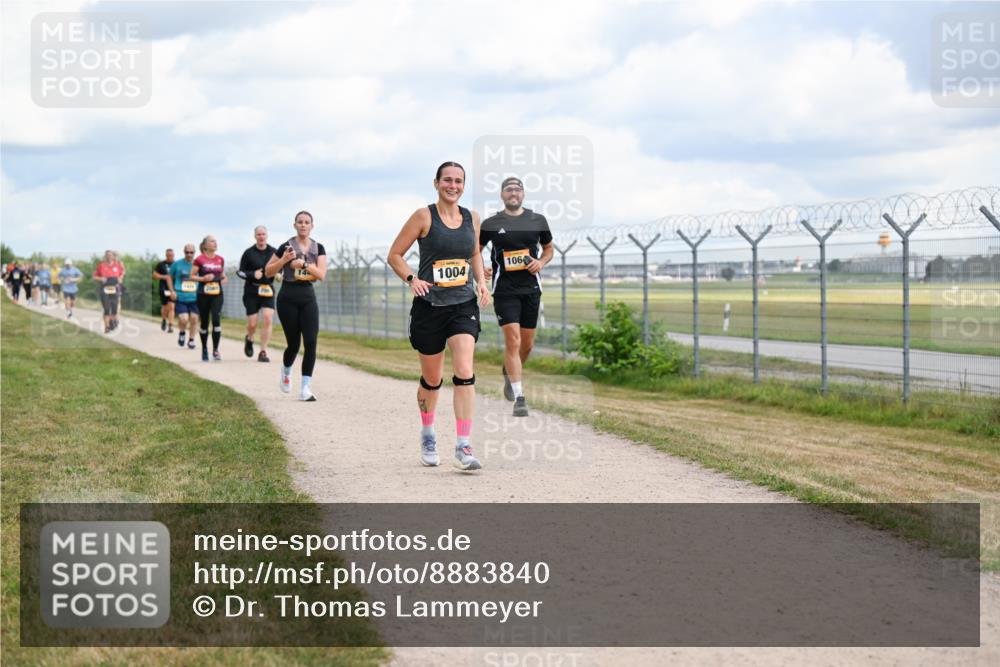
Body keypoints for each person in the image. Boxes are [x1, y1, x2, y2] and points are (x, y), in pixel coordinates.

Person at [387, 161, 491, 471]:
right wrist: (412, 279)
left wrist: (482, 282)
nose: (453, 185)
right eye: (448, 180)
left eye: (459, 181)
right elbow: (395, 255)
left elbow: (473, 253)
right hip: (429, 306)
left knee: (464, 369)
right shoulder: (423, 216)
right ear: (436, 183)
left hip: (462, 304)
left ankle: (463, 444)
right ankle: (429, 433)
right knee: (432, 380)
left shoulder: (472, 218)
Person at [479, 176, 554, 417]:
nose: (513, 193)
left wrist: (540, 262)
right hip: (504, 290)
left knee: (527, 344)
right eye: (509, 189)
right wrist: (481, 269)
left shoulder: (537, 220)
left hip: (531, 289)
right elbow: (474, 251)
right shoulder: (492, 223)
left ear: (523, 194)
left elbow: (549, 248)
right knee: (513, 341)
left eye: (517, 189)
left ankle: (508, 372)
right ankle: (519, 397)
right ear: (502, 195)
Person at [265, 211, 328, 401]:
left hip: (307, 297)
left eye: (307, 222)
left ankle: (305, 388)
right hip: (287, 297)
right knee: (294, 344)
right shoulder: (285, 246)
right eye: (300, 222)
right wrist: (284, 260)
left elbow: (322, 275)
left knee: (310, 342)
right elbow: (268, 271)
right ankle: (286, 371)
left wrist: (305, 265)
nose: (303, 225)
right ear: (294, 225)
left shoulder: (319, 248)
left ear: (312, 226)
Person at [237, 226, 277, 362]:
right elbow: (240, 272)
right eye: (258, 234)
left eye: (263, 234)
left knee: (267, 318)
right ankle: (249, 338)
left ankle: (263, 351)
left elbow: (281, 267)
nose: (261, 236)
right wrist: (252, 274)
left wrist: (279, 274)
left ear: (267, 235)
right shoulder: (248, 253)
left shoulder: (274, 252)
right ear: (255, 236)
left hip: (268, 290)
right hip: (251, 291)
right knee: (253, 323)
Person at [192, 236, 227, 362]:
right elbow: (192, 276)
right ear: (205, 245)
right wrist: (203, 279)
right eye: (212, 241)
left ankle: (216, 350)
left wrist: (223, 280)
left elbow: (223, 276)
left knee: (216, 319)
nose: (215, 243)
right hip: (203, 294)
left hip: (217, 294)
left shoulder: (220, 259)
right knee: (205, 322)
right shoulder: (199, 259)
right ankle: (204, 349)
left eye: (215, 241)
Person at [168, 245, 200, 350]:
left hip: (195, 296)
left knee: (194, 319)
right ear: (184, 252)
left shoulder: (198, 264)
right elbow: (169, 277)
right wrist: (172, 291)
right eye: (187, 252)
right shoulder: (177, 264)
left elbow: (203, 278)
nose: (189, 254)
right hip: (181, 296)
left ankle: (191, 340)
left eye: (191, 252)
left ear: (194, 252)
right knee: (184, 318)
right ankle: (182, 333)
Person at [93, 250, 124, 333]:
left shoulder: (117, 265)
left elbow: (122, 273)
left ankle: (112, 322)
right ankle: (106, 327)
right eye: (107, 255)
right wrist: (101, 278)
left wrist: (120, 278)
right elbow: (94, 276)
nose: (109, 256)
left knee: (114, 309)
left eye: (111, 255)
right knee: (106, 308)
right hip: (104, 288)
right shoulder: (101, 265)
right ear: (105, 256)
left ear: (113, 256)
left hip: (115, 288)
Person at [152, 249, 175, 333]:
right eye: (169, 255)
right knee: (165, 306)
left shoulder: (176, 264)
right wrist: (164, 277)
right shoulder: (161, 265)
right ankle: (164, 319)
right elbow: (154, 275)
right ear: (166, 255)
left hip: (173, 288)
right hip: (163, 288)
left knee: (172, 306)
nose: (170, 257)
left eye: (172, 255)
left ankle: (171, 325)